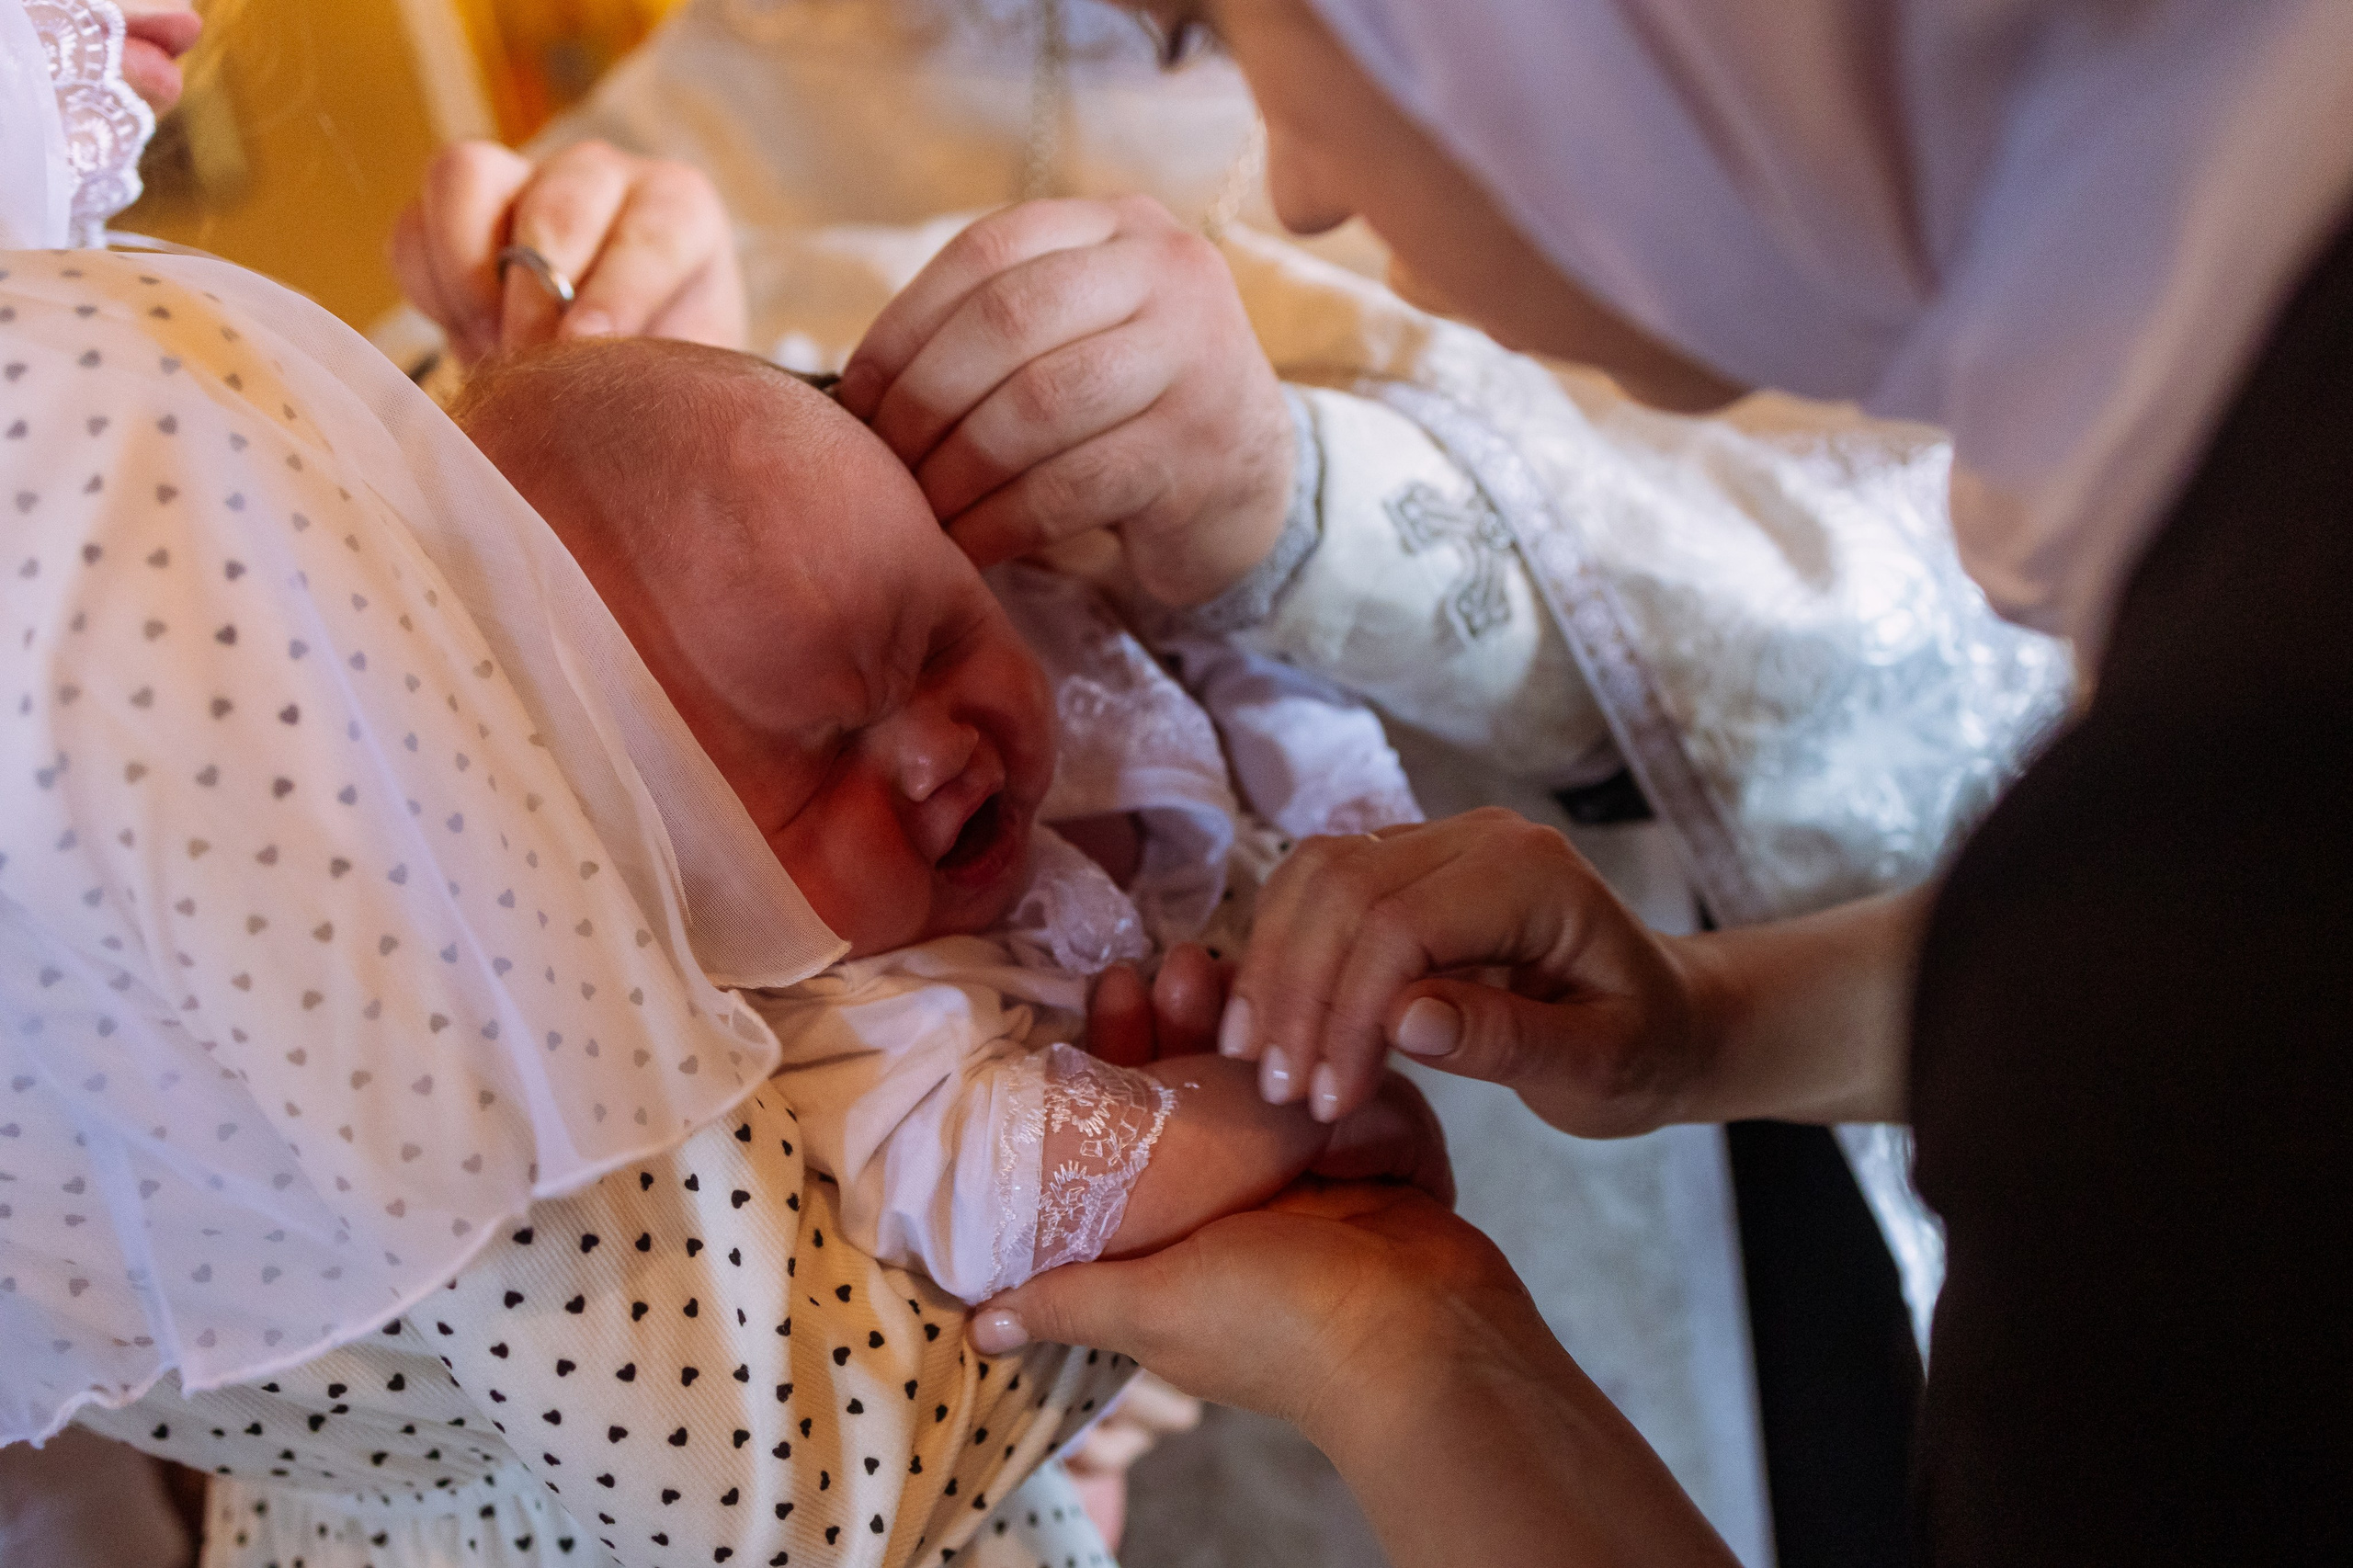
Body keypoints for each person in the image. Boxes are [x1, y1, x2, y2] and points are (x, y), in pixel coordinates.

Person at [946, 1, 2353, 1564]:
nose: (1300, 196)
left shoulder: (2260, 825)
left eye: (1265, 31)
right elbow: (2127, 967)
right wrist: (1706, 1025)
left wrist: (1407, 1355)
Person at [0, 6, 1142, 1566]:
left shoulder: (102, 413)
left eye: (939, 631)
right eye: (817, 755)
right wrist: (1273, 1177)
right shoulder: (89, 471)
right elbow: (789, 1470)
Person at [448, 335, 1447, 1307]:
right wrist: (1290, 1119)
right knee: (1095, 1422)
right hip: (1239, 1106)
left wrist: (1374, 837)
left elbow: (1233, 665)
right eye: (826, 758)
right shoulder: (839, 1013)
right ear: (675, 886)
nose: (937, 748)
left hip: (1291, 922)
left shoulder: (1025, 599)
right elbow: (992, 1199)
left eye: (939, 639)